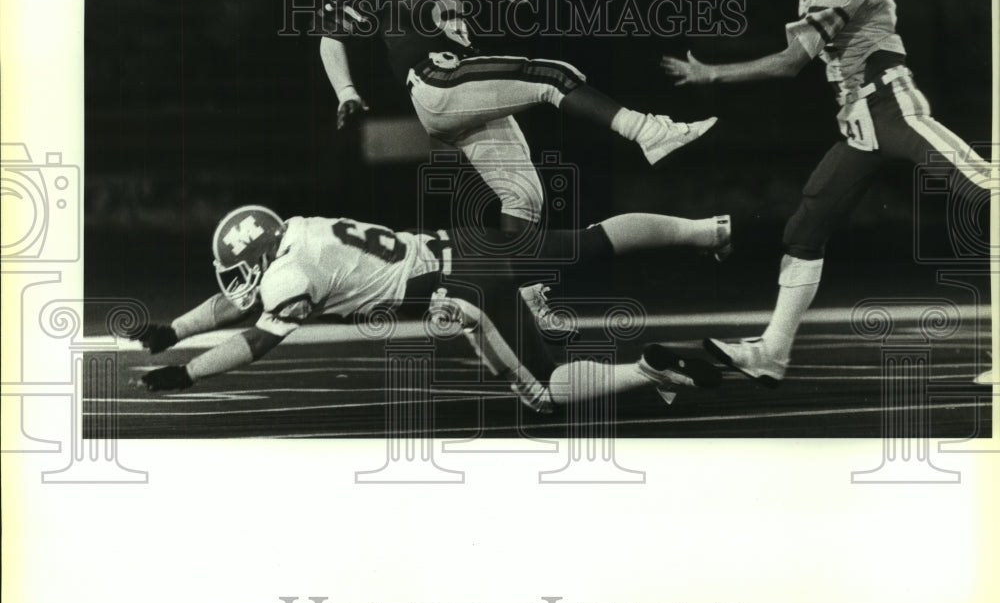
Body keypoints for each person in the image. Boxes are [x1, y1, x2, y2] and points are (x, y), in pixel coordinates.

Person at [660, 0, 994, 386]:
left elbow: (791, 61)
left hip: (891, 107)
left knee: (989, 191)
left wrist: (712, 75)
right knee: (804, 228)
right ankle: (771, 352)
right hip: (859, 121)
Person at [320, 0, 716, 236]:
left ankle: (522, 301)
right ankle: (648, 131)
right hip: (434, 82)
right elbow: (332, 36)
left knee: (524, 200)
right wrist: (346, 91)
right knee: (553, 76)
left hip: (469, 83)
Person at [134, 205, 730, 413]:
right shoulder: (297, 230)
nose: (243, 284)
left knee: (545, 395)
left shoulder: (290, 274)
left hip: (465, 287)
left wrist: (187, 372)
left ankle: (647, 370)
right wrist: (174, 330)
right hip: (468, 242)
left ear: (263, 254)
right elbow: (238, 300)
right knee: (590, 240)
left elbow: (257, 339)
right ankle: (708, 231)